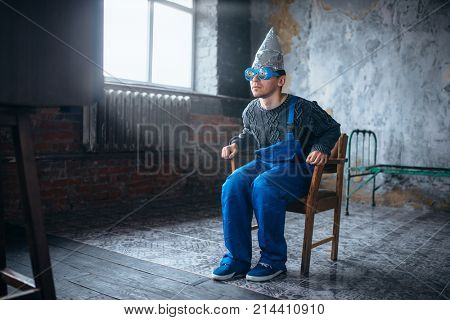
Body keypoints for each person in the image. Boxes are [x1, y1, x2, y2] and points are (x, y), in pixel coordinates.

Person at [212, 28, 341, 282]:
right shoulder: (250, 110)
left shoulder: (301, 108)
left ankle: (273, 261)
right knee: (233, 184)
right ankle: (237, 259)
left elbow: (331, 129)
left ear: (281, 80)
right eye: (252, 75)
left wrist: (320, 148)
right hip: (264, 164)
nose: (255, 80)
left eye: (263, 75)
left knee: (264, 184)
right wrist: (236, 143)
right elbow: (248, 132)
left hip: (295, 171)